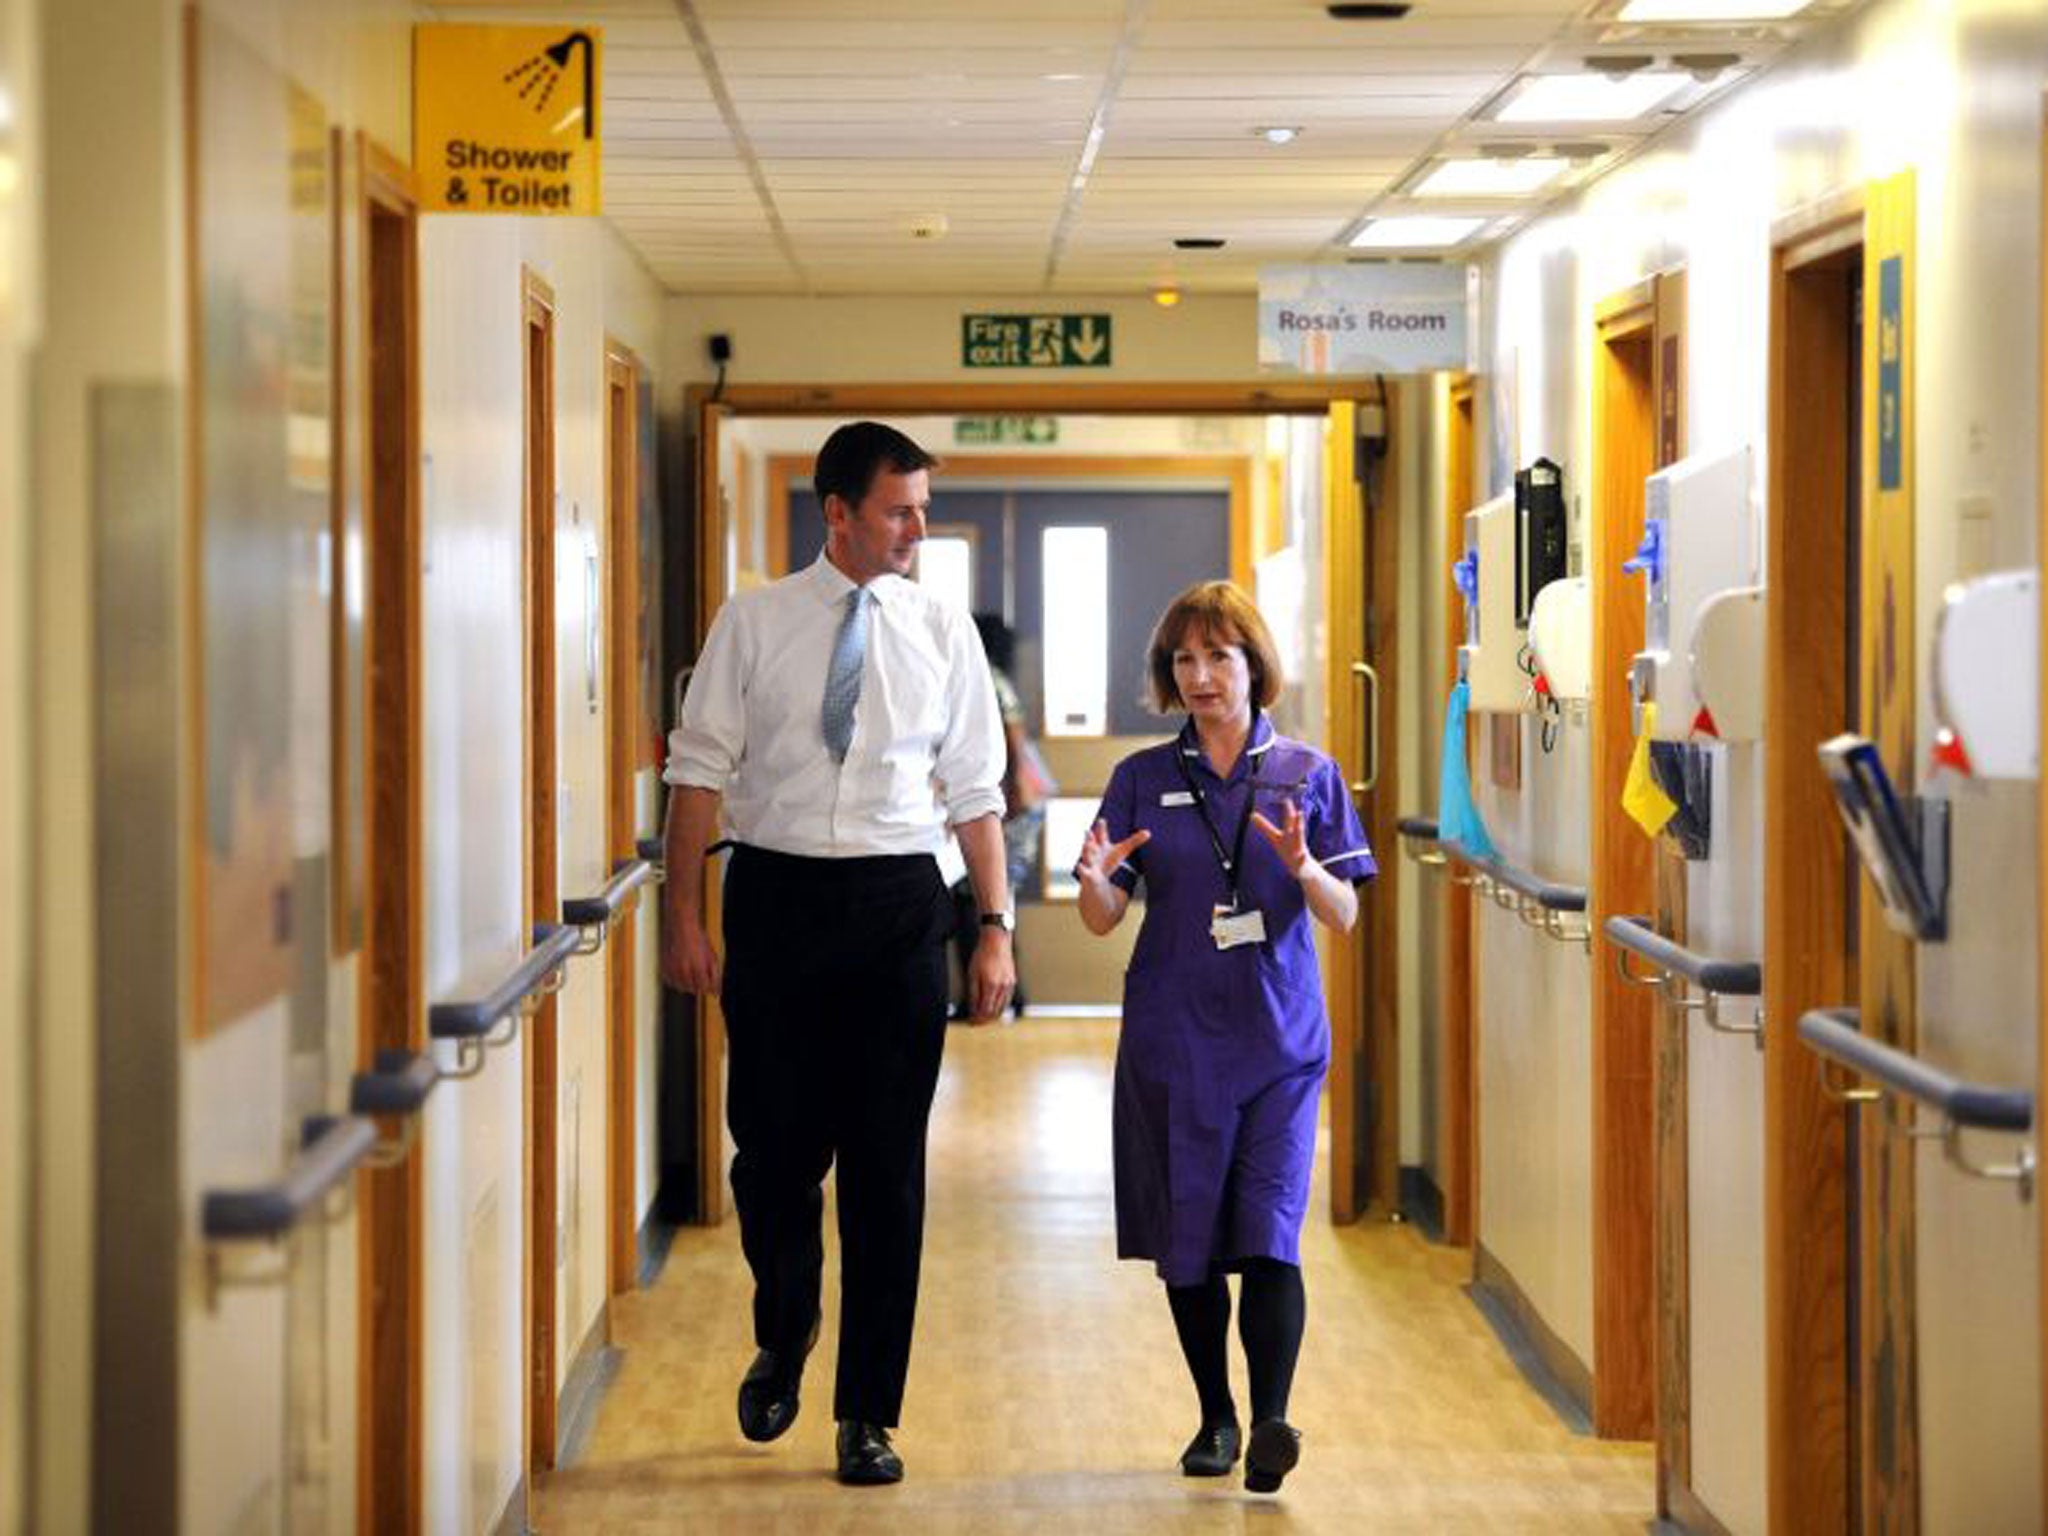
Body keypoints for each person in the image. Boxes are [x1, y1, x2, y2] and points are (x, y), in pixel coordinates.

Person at [660, 421, 1015, 1488]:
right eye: (897, 509)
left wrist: (992, 930)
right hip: (773, 895)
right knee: (769, 1158)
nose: (915, 527)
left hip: (901, 902)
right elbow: (696, 771)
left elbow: (974, 789)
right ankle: (787, 1322)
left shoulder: (942, 629)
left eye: (919, 508)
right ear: (837, 514)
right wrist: (684, 916)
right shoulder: (754, 621)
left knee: (885, 1172)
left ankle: (867, 1412)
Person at [1073, 580, 1374, 1495]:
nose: (1201, 677)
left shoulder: (1308, 776)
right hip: (1173, 1038)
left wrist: (1305, 867)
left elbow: (1346, 914)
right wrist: (1092, 881)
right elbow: (1101, 918)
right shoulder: (1141, 779)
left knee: (1270, 1231)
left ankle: (1274, 1418)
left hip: (1279, 1041)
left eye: (1219, 657)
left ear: (1254, 664)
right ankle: (1216, 1416)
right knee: (1190, 1235)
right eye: (1184, 661)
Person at [949, 613, 1051, 1017]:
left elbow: (1010, 740)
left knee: (979, 897)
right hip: (1015, 798)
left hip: (1009, 801)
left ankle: (986, 997)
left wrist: (1008, 798)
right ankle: (1005, 995)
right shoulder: (995, 677)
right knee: (990, 898)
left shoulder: (984, 675)